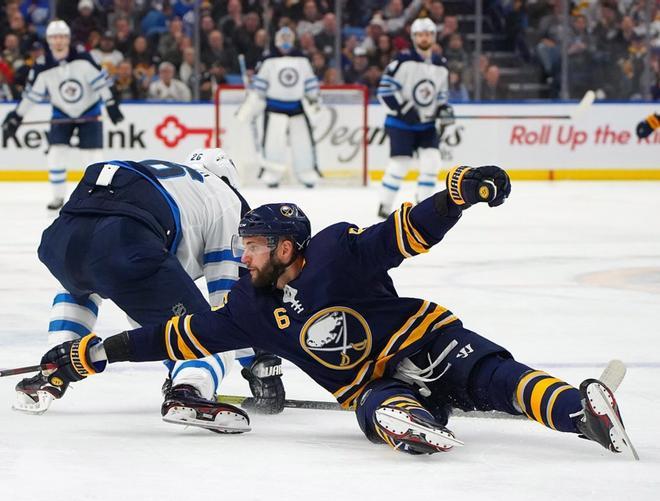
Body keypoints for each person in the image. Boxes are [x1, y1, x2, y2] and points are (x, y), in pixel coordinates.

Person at [35, 165, 636, 457]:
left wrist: (455, 195)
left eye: (254, 246)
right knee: (374, 405)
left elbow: (404, 234)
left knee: (494, 375)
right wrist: (97, 352)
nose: (242, 255)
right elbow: (177, 338)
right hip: (371, 381)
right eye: (243, 245)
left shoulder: (337, 252)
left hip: (424, 342)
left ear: (288, 247)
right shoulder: (247, 305)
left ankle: (580, 411)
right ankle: (408, 420)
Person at [15, 149, 285, 433]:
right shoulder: (225, 198)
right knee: (208, 334)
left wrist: (174, 361)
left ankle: (53, 369)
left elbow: (126, 294)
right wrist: (259, 362)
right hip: (127, 244)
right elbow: (226, 306)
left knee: (83, 282)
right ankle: (188, 391)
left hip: (61, 240)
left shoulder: (171, 181)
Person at [1, 20, 124, 211]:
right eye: (54, 37)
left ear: (68, 38)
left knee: (92, 157)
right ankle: (58, 196)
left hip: (89, 111)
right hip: (61, 112)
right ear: (49, 40)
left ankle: (97, 196)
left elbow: (100, 83)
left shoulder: (83, 57)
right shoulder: (42, 66)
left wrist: (110, 103)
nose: (58, 41)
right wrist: (17, 116)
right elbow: (32, 95)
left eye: (62, 37)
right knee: (56, 154)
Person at [376, 17, 453, 219]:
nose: (424, 38)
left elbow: (442, 94)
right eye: (420, 34)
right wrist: (404, 109)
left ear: (434, 37)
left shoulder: (441, 65)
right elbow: (384, 91)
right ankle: (384, 205)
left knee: (432, 161)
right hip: (401, 123)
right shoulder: (402, 61)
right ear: (414, 37)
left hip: (426, 125)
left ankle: (424, 205)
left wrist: (444, 109)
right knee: (400, 164)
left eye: (428, 34)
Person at [236, 26, 321, 189]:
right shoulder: (268, 61)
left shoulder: (302, 60)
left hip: (298, 108)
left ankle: (306, 173)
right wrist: (251, 103)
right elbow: (259, 88)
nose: (286, 43)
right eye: (283, 40)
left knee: (303, 143)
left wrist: (315, 100)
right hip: (274, 107)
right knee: (273, 143)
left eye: (289, 40)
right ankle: (272, 174)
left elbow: (310, 84)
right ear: (277, 42)